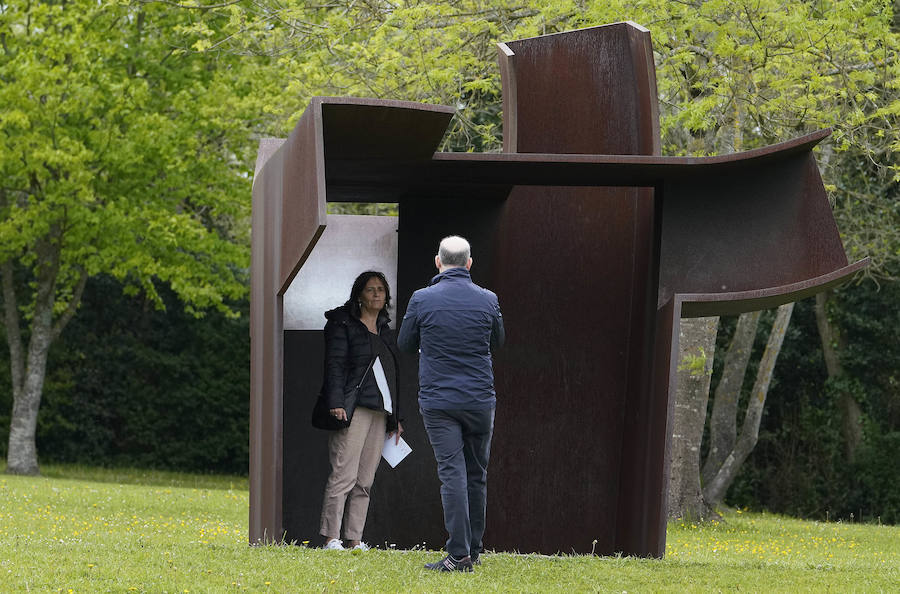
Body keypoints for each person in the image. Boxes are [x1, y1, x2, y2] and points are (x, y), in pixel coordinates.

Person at [397, 235, 505, 572]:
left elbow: (404, 343)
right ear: (469, 263)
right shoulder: (488, 300)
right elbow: (498, 341)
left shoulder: (422, 299)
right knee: (477, 475)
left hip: (439, 401)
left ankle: (459, 556)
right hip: (479, 400)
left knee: (452, 475)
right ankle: (473, 549)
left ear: (438, 262)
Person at [319, 271, 403, 551]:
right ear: (359, 295)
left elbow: (393, 376)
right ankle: (332, 538)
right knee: (344, 474)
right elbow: (334, 366)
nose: (377, 294)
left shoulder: (385, 330)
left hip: (380, 412)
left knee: (365, 479)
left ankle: (354, 539)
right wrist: (336, 403)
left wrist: (396, 418)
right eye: (371, 290)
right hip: (352, 409)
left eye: (381, 290)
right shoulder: (342, 324)